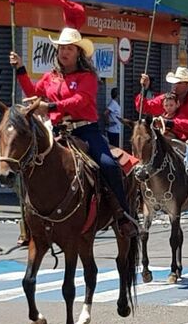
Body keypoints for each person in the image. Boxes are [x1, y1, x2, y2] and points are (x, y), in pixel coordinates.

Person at [10, 27, 137, 236]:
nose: (64, 52)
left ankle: (122, 215)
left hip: (86, 131)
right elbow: (34, 94)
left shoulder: (88, 76)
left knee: (108, 164)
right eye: (61, 48)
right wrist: (21, 70)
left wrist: (50, 107)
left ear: (78, 52)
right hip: (58, 132)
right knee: (28, 164)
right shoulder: (50, 77)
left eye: (69, 48)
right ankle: (30, 220)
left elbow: (80, 101)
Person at [136, 67, 188, 213]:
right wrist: (144, 89)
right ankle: (138, 195)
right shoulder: (166, 98)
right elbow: (143, 107)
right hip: (161, 139)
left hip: (183, 141)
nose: (175, 85)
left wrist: (169, 122)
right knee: (140, 156)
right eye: (174, 82)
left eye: (179, 83)